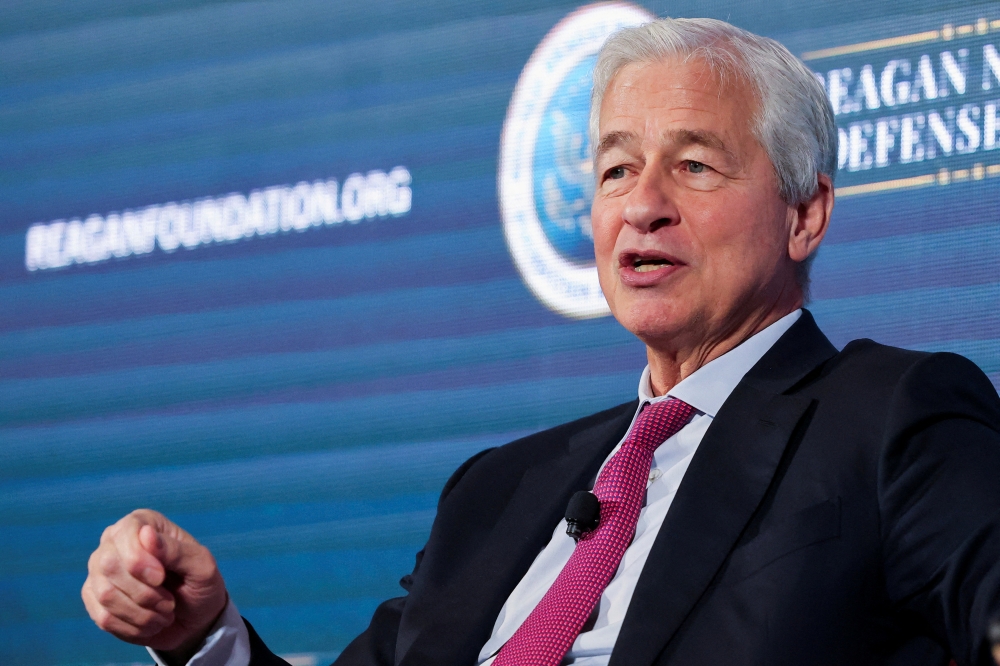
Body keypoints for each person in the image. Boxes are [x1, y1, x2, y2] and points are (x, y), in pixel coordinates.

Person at [82, 17, 1000, 666]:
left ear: (806, 214)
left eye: (692, 164)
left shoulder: (889, 419)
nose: (642, 203)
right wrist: (202, 636)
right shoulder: (495, 492)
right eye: (614, 168)